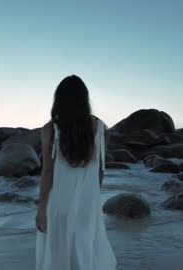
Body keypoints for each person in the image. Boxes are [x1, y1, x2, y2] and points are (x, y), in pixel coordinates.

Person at [35, 75, 117, 270]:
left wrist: (41, 209)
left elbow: (47, 171)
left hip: (59, 202)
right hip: (88, 202)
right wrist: (94, 197)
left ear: (59, 99)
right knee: (85, 249)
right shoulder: (99, 128)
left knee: (59, 252)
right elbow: (100, 169)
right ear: (84, 100)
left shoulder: (50, 129)